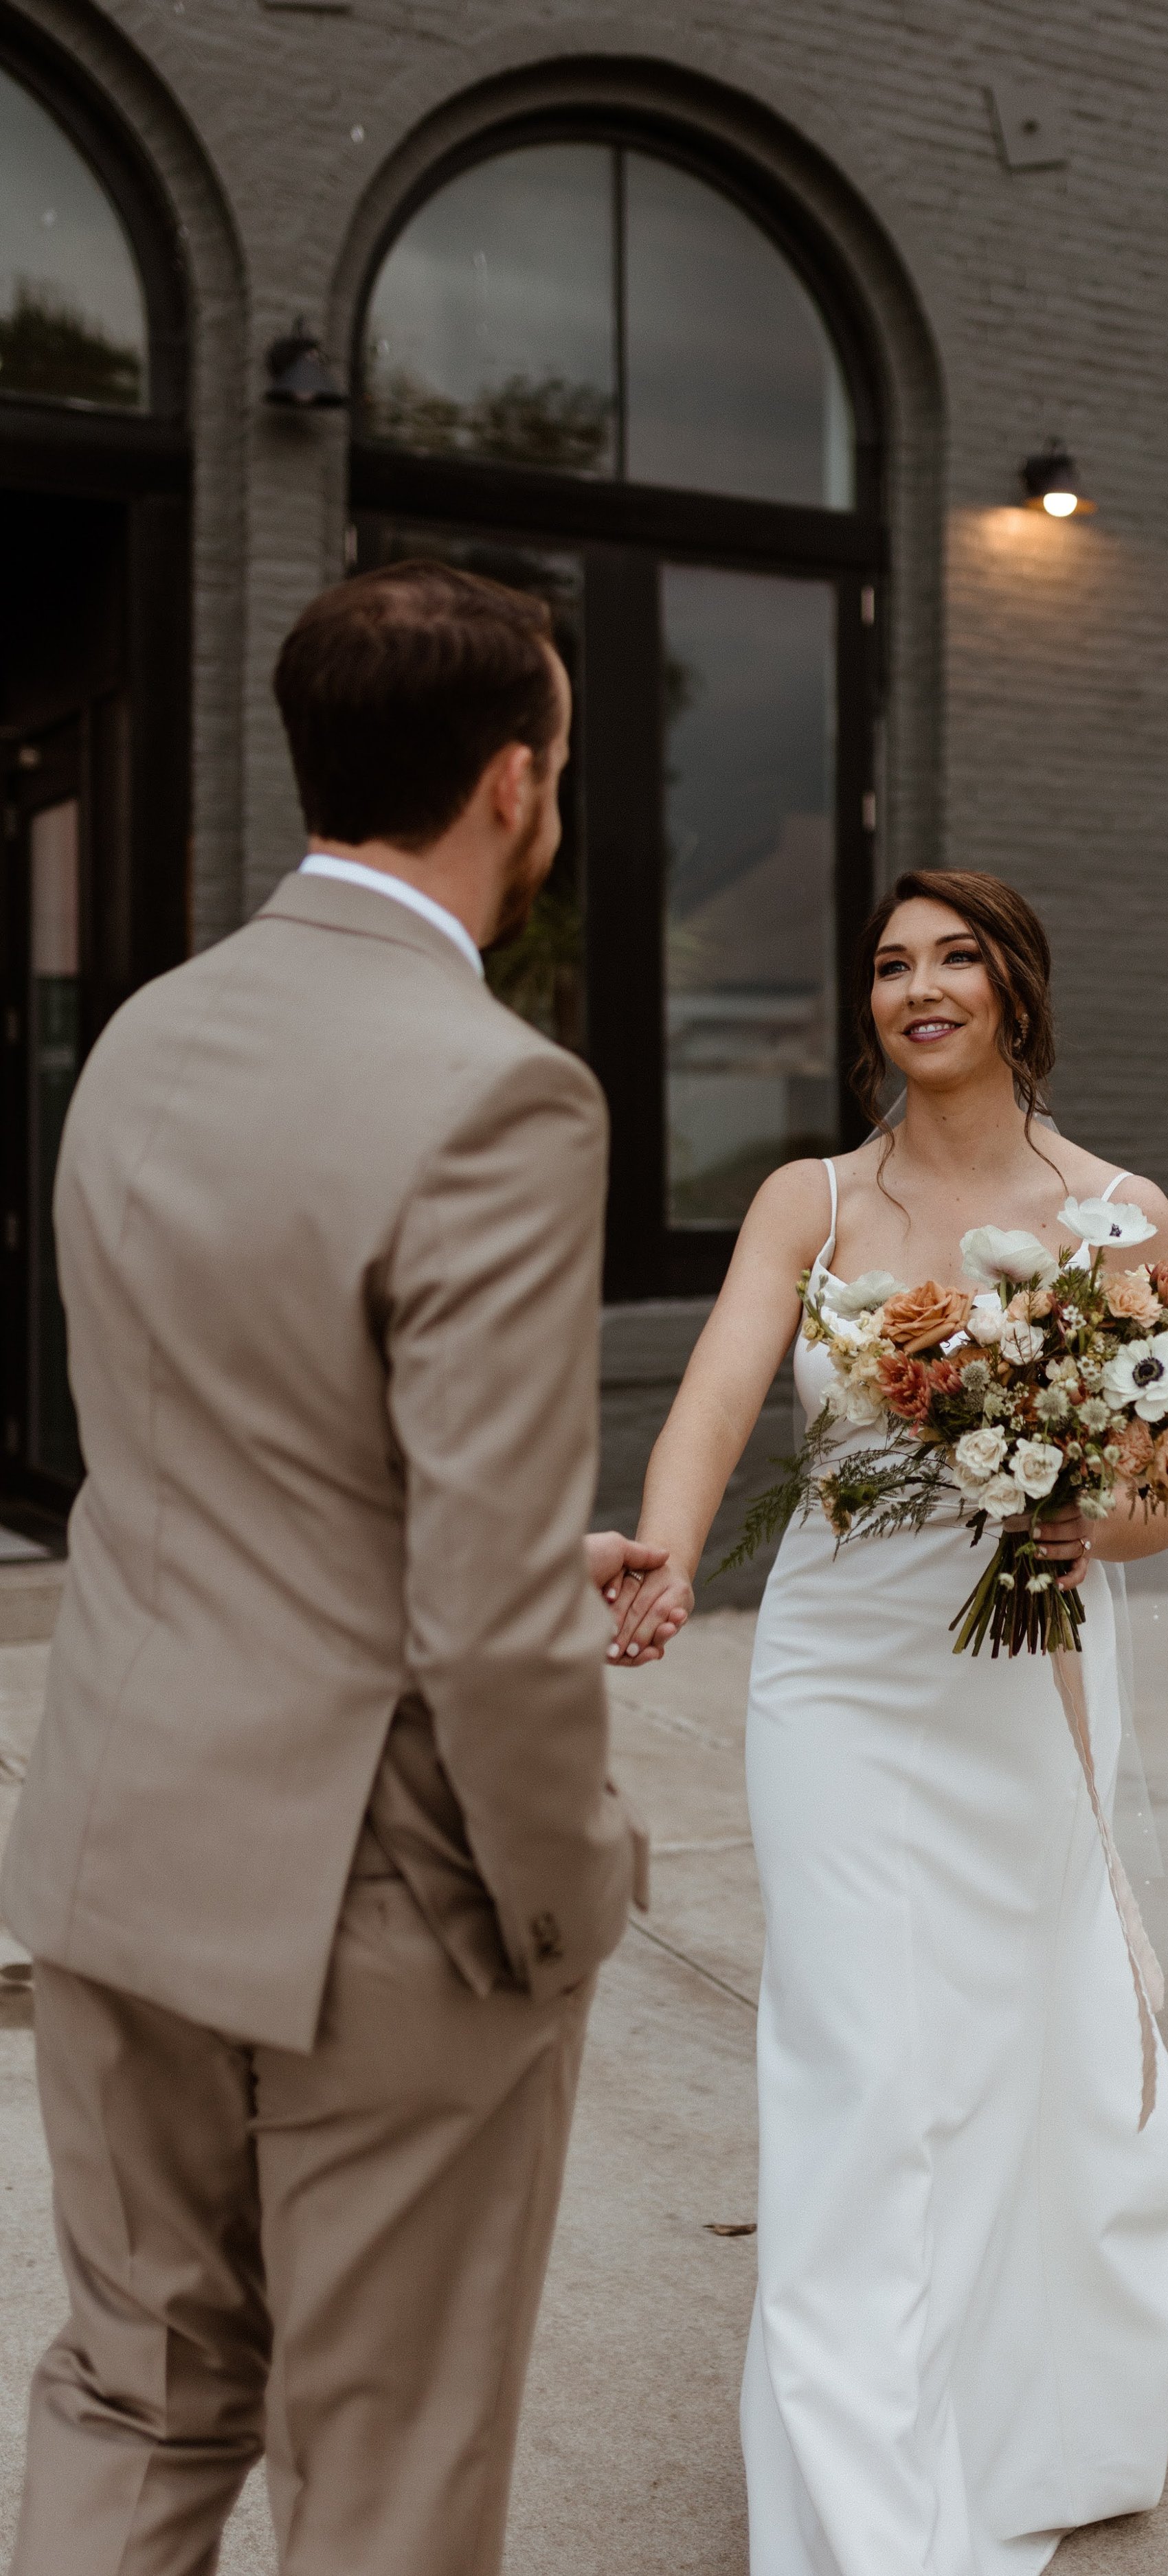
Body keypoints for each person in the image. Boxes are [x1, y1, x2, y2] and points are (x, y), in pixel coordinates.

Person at [1, 560, 675, 2576]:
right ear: (509, 785)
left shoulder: (140, 1033)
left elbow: (223, 1432)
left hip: (121, 1839)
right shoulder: (503, 1093)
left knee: (132, 2395)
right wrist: (563, 1902)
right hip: (374, 1902)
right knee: (386, 2470)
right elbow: (481, 1623)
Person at [612, 869, 1168, 2573]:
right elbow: (721, 1395)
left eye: (953, 957)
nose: (918, 985)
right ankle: (856, 2505)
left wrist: (1075, 1520)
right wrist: (663, 1553)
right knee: (854, 2065)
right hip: (831, 1676)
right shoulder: (806, 1201)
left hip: (1022, 1682)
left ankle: (1011, 2384)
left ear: (1016, 989)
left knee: (1012, 2044)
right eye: (889, 965)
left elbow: (1155, 1499)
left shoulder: (1118, 1212)